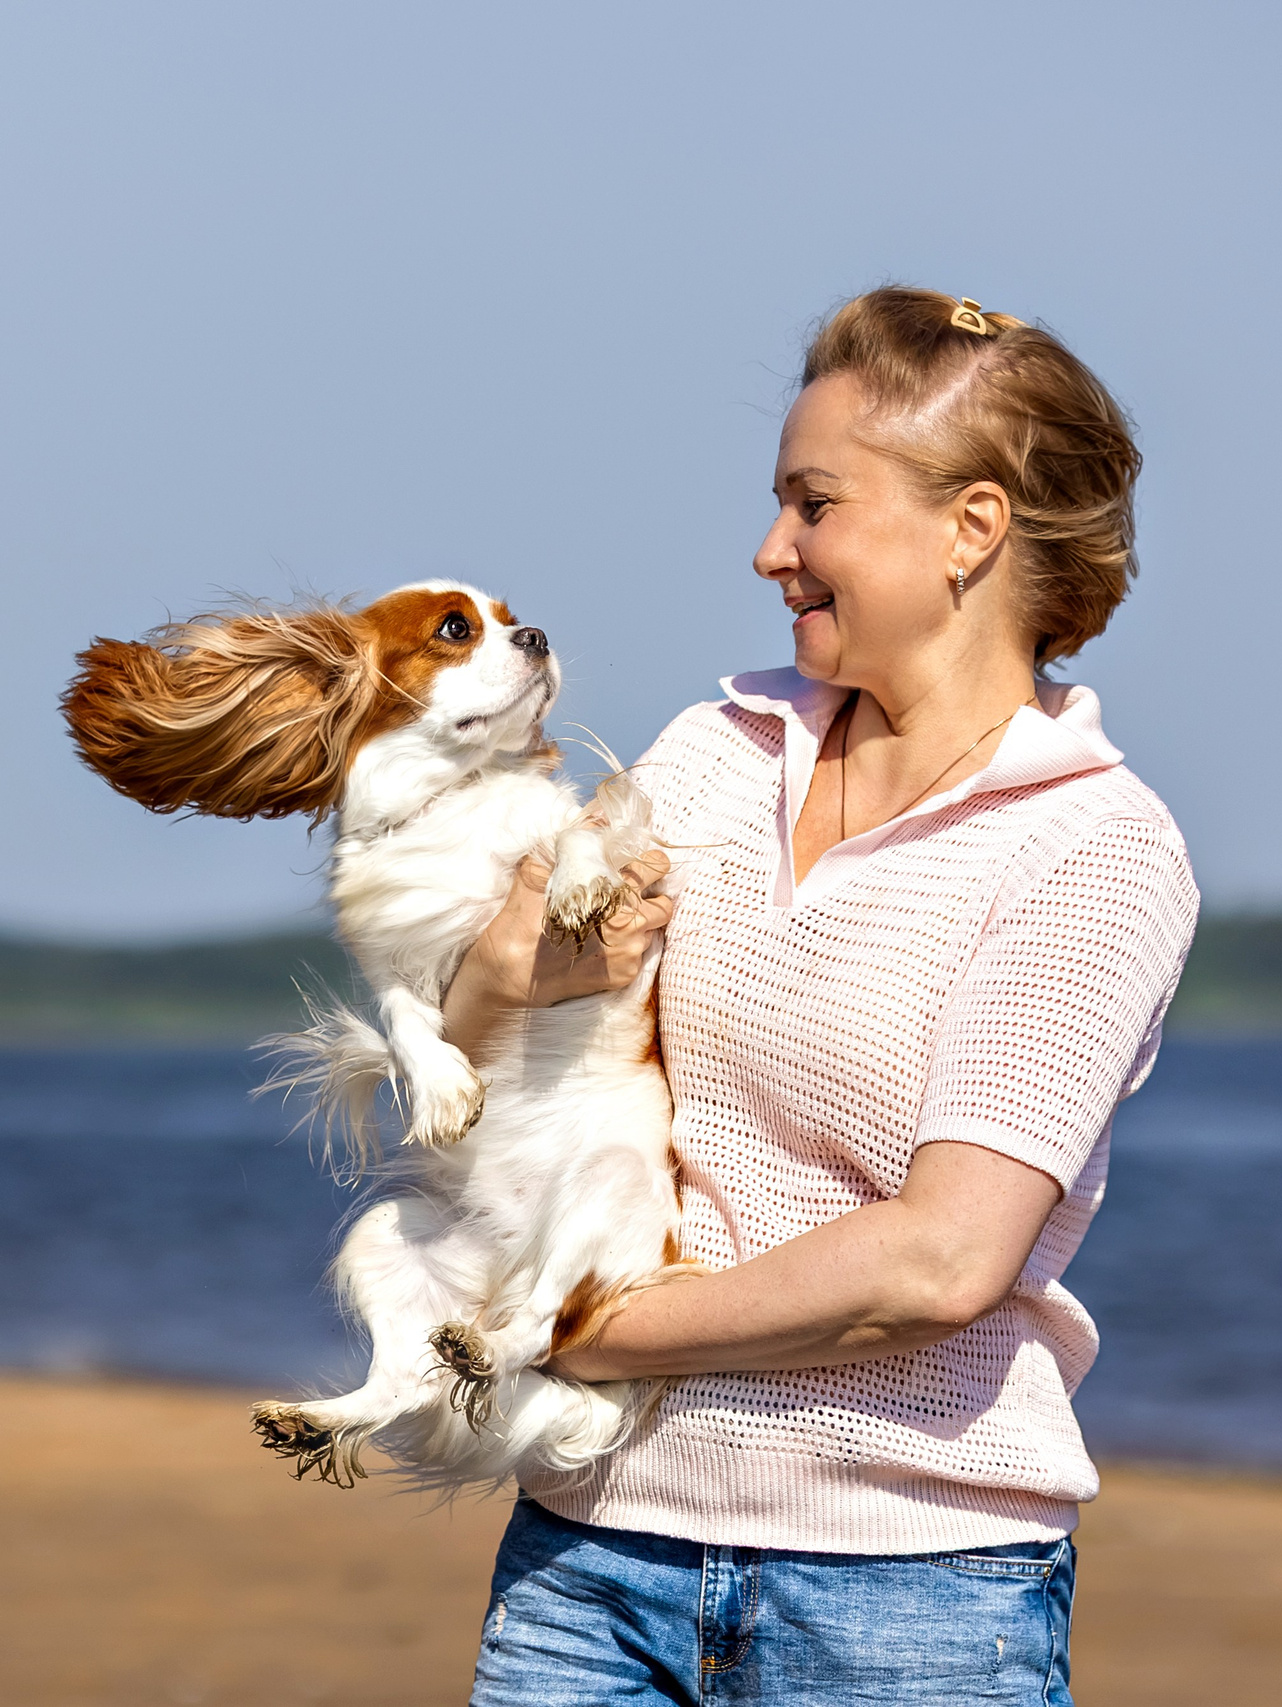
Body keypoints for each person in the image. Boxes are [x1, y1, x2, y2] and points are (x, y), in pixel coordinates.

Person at [438, 287, 1200, 1704]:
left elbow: (939, 1264)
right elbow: (485, 1055)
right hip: (588, 1556)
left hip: (906, 1598)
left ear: (974, 527)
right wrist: (499, 971)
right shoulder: (713, 753)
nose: (771, 550)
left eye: (814, 504)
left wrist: (584, 1327)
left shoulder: (1093, 848)